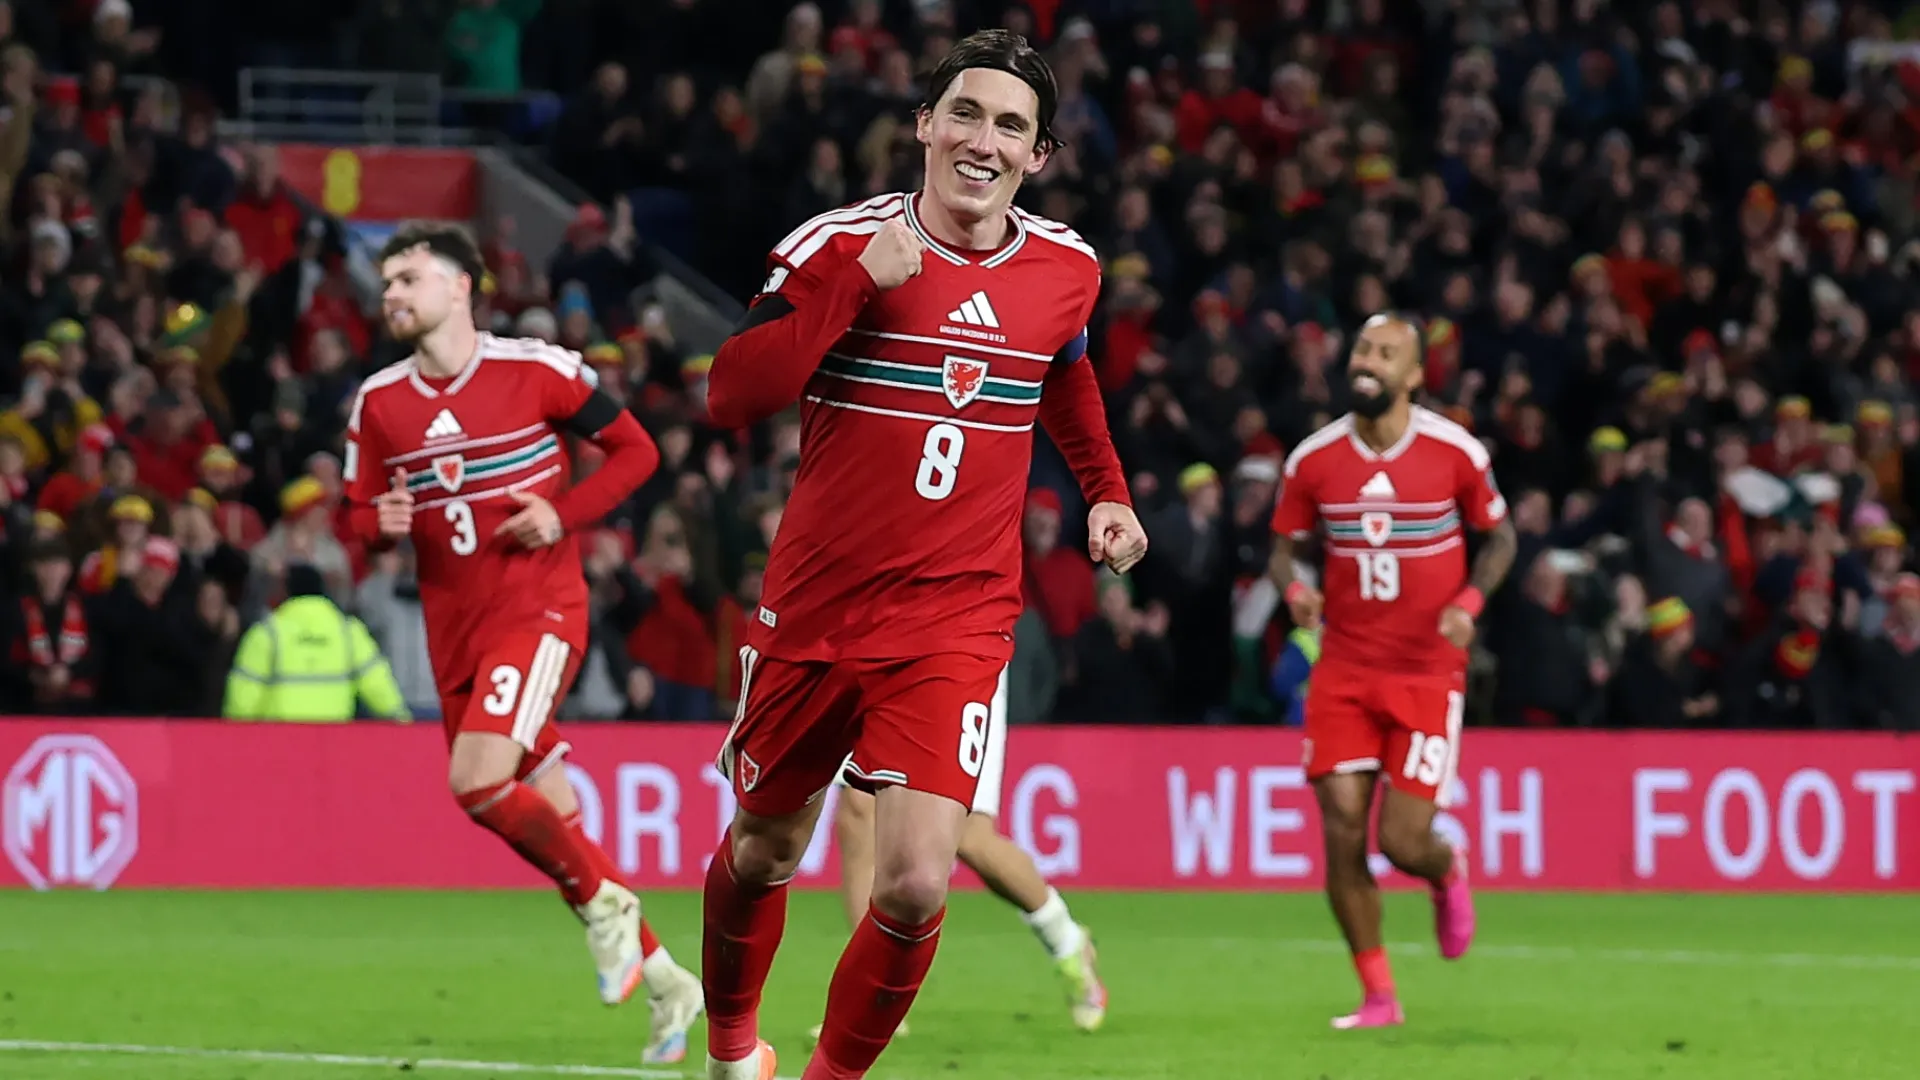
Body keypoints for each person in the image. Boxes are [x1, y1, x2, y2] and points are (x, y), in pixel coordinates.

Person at [698, 30, 1148, 1080]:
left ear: (1037, 157)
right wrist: (856, 287)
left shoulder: (1067, 269)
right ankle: (732, 1052)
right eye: (964, 114)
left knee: (913, 883)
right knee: (764, 847)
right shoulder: (833, 244)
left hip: (957, 616)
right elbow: (732, 393)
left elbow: (1067, 377)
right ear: (923, 125)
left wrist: (1107, 493)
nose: (981, 141)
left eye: (1010, 127)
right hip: (815, 606)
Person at [341, 221, 704, 1065]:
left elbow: (636, 450)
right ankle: (668, 980)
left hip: (538, 614)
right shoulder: (379, 403)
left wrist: (563, 514)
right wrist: (374, 523)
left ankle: (610, 913)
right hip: (453, 636)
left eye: (408, 278)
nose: (391, 293)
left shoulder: (535, 369)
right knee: (554, 822)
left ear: (460, 285)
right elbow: (355, 516)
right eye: (387, 283)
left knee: (474, 782)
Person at [1266, 312, 1518, 1029]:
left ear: (1414, 376)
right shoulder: (1312, 460)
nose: (1367, 362)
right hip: (1345, 668)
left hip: (1426, 673)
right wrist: (1294, 589)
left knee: (1400, 843)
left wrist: (1470, 600)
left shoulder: (1454, 452)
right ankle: (1378, 995)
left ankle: (1445, 870)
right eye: (1361, 350)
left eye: (1385, 354)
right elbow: (1283, 545)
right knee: (1342, 826)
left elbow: (1500, 536)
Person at [809, 669, 1105, 1047]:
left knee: (968, 835)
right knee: (858, 806)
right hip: (882, 643)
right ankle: (873, 998)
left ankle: (1068, 942)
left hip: (961, 648)